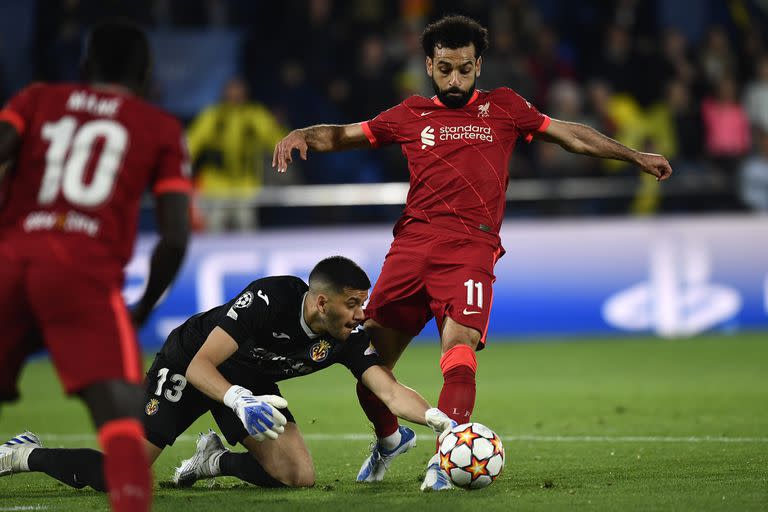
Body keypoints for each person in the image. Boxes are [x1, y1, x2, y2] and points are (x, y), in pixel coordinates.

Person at [273, 14, 673, 491]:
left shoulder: (505, 108)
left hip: (470, 249)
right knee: (370, 371)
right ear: (429, 65)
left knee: (458, 351)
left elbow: (570, 134)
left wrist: (634, 156)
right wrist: (303, 135)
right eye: (445, 69)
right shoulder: (410, 114)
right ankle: (389, 439)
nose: (455, 79)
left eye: (464, 68)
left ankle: (447, 460)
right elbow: (344, 134)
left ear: (479, 65)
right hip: (410, 249)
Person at [0, 256, 456, 491]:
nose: (361, 314)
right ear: (322, 302)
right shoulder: (269, 299)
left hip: (248, 382)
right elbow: (203, 363)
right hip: (193, 360)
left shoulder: (347, 337)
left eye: (363, 303)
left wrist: (442, 421)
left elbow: (390, 392)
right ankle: (25, 454)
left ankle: (212, 460)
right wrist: (237, 399)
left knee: (298, 476)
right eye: (353, 304)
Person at [0, 20, 191, 512]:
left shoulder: (36, 99)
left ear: (84, 68)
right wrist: (145, 303)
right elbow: (174, 235)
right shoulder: (160, 128)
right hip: (82, 275)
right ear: (146, 76)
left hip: (10, 258)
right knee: (123, 421)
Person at [187, 77, 287, 232]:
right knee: (214, 231)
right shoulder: (213, 115)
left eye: (239, 90)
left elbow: (274, 138)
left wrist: (285, 139)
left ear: (245, 93)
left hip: (245, 186)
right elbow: (192, 142)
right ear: (224, 92)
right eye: (231, 90)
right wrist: (181, 164)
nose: (235, 94)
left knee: (247, 230)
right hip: (215, 185)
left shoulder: (255, 115)